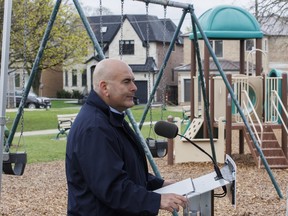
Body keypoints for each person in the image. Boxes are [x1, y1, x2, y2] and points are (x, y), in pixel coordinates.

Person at [65, 59, 187, 215]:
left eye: (133, 81)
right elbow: (112, 187)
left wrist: (160, 184)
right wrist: (156, 200)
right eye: (126, 82)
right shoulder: (95, 128)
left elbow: (125, 170)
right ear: (105, 87)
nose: (134, 88)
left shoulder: (110, 118)